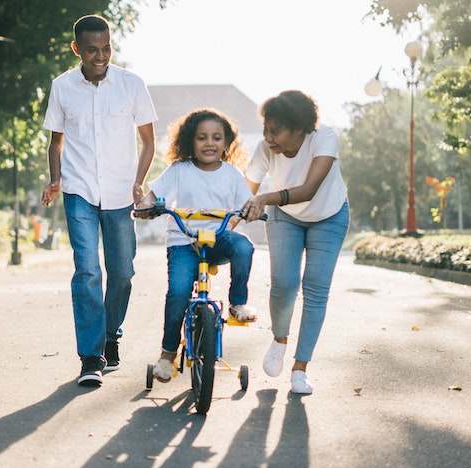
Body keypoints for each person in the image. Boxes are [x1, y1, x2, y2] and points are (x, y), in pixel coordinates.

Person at [41, 15, 157, 387]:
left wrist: (139, 182)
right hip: (79, 191)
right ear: (77, 49)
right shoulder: (62, 87)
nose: (101, 56)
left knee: (122, 272)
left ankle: (111, 335)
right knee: (88, 271)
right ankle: (91, 356)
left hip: (121, 193)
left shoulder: (131, 84)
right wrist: (56, 179)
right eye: (92, 50)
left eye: (106, 48)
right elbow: (56, 142)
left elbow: (148, 141)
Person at [242, 90, 350, 395]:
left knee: (316, 287)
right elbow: (244, 193)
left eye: (275, 131)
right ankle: (279, 339)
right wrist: (227, 223)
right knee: (284, 283)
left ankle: (300, 369)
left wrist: (264, 198)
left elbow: (309, 189)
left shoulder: (323, 139)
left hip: (328, 215)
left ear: (300, 128)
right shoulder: (266, 149)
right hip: (285, 217)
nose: (268, 137)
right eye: (265, 129)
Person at [137, 109, 257, 382]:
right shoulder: (179, 170)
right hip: (183, 240)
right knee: (179, 292)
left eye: (217, 138)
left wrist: (252, 210)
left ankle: (238, 303)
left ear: (227, 143)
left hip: (217, 240)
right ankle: (167, 355)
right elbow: (153, 196)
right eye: (202, 137)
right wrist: (145, 206)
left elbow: (246, 203)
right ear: (191, 141)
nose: (209, 143)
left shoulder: (232, 174)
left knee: (244, 247)